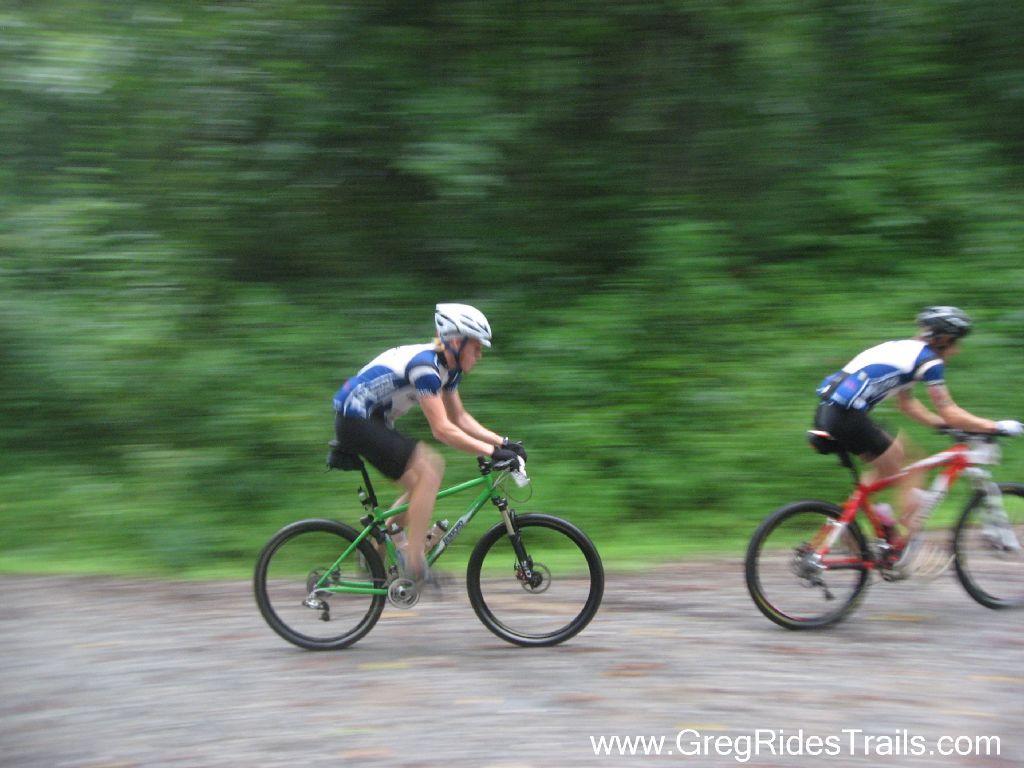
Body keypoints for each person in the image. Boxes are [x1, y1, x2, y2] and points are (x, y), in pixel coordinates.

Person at [332, 303, 525, 586]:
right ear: (456, 342)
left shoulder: (449, 368)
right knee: (431, 468)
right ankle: (415, 565)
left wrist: (503, 442)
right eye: (476, 347)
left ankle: (381, 542)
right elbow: (443, 429)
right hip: (356, 420)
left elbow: (460, 417)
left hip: (373, 421)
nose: (480, 355)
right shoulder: (425, 367)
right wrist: (492, 452)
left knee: (422, 483)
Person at [813, 306, 1023, 545]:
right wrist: (994, 426)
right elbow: (949, 409)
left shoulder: (907, 350)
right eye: (956, 342)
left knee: (898, 460)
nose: (957, 349)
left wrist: (943, 426)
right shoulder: (929, 361)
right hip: (847, 416)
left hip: (829, 412)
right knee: (913, 467)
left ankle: (851, 524)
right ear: (943, 339)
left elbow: (908, 404)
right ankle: (902, 537)